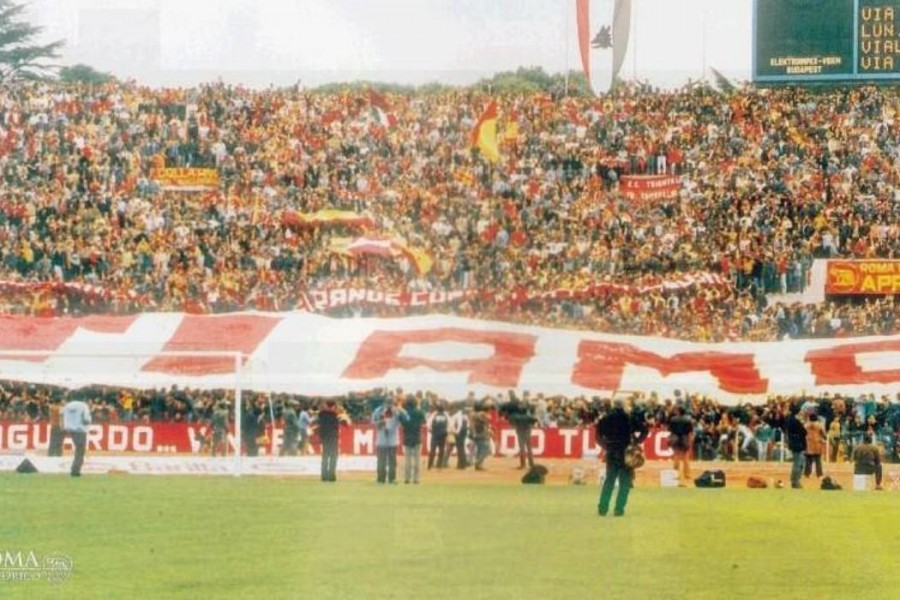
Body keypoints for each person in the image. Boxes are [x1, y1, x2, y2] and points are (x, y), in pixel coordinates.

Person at [596, 398, 648, 517]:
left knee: (609, 481)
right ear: (624, 406)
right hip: (626, 453)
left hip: (612, 452)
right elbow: (644, 431)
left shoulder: (605, 419)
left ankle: (603, 508)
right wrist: (636, 441)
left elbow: (598, 437)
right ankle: (619, 509)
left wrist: (606, 446)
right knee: (625, 483)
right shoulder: (629, 418)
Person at [372, 398, 408, 484]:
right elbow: (373, 423)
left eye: (391, 404)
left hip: (392, 440)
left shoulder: (397, 411)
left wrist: (401, 410)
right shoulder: (378, 411)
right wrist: (382, 421)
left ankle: (392, 478)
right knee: (381, 460)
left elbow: (407, 419)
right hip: (381, 439)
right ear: (384, 403)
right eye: (388, 404)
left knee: (392, 461)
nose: (389, 406)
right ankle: (381, 478)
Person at [501, 391, 537, 470]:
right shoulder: (529, 416)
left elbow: (512, 422)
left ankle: (523, 464)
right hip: (527, 430)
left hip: (520, 430)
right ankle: (531, 464)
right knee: (529, 447)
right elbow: (534, 420)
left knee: (522, 448)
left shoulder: (516, 416)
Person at [314, 399, 346, 482]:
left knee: (325, 457)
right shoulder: (336, 415)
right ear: (333, 406)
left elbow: (318, 424)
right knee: (333, 457)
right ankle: (331, 475)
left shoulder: (321, 414)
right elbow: (345, 423)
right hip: (333, 438)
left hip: (324, 438)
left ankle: (324, 476)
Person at [62, 397, 92, 477]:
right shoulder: (83, 406)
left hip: (70, 429)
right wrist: (88, 422)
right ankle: (75, 470)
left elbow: (63, 416)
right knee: (80, 450)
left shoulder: (67, 406)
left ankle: (74, 468)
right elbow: (86, 419)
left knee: (77, 449)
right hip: (80, 430)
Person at [400, 395, 427, 484]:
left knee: (407, 459)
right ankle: (416, 479)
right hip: (417, 436)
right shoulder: (420, 412)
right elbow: (424, 422)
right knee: (417, 459)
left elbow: (402, 423)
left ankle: (407, 478)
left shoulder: (404, 413)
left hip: (407, 436)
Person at [667, 405, 694, 487]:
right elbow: (690, 432)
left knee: (676, 457)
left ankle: (675, 474)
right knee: (686, 457)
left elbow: (670, 431)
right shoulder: (688, 420)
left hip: (675, 438)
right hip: (684, 438)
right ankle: (687, 474)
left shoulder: (673, 419)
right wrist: (690, 441)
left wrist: (669, 439)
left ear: (678, 411)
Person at [785, 404, 807, 489]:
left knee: (797, 463)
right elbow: (804, 432)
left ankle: (794, 481)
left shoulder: (789, 419)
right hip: (798, 443)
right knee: (799, 464)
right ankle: (796, 481)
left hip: (793, 442)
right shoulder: (795, 420)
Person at [470, 403, 492, 471]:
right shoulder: (482, 414)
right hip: (482, 433)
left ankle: (479, 465)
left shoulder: (472, 414)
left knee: (479, 450)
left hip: (475, 433)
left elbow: (471, 424)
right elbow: (488, 419)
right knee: (487, 450)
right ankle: (478, 462)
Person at [804, 412, 826, 479]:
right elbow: (824, 434)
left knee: (808, 460)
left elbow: (802, 433)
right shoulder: (820, 425)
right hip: (817, 444)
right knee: (818, 460)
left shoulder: (806, 425)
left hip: (808, 443)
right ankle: (819, 475)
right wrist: (823, 438)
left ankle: (807, 474)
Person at [427, 402, 449, 470]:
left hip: (435, 434)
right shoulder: (446, 415)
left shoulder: (434, 414)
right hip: (443, 435)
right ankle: (439, 466)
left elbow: (428, 424)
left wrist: (431, 430)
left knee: (432, 450)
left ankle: (430, 465)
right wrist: (446, 431)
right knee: (441, 450)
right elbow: (449, 424)